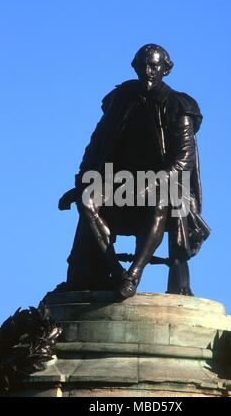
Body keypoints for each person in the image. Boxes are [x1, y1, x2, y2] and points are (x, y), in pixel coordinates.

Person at [59, 44, 210, 298]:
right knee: (87, 200)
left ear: (166, 69)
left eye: (154, 66)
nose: (147, 71)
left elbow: (183, 161)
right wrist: (81, 183)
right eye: (142, 66)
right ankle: (116, 272)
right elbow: (97, 145)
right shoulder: (121, 99)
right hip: (121, 184)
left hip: (165, 187)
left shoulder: (178, 107)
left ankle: (133, 274)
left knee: (162, 201)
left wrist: (150, 184)